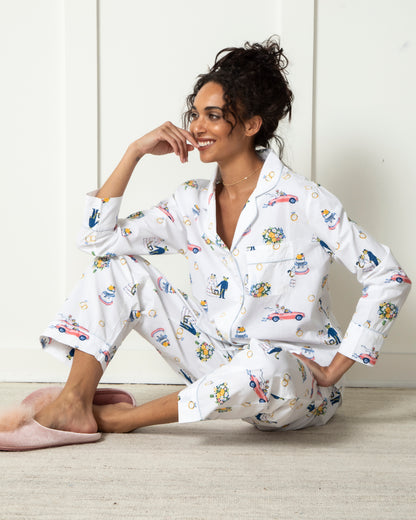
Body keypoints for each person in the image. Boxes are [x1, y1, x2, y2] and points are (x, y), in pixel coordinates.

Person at [0, 38, 411, 450]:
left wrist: (334, 369)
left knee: (267, 362)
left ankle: (125, 419)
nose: (196, 127)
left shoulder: (304, 200)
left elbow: (389, 277)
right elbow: (97, 240)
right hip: (217, 362)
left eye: (212, 116)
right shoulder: (190, 203)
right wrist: (134, 152)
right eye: (194, 114)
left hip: (294, 382)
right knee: (115, 268)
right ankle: (74, 403)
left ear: (251, 125)